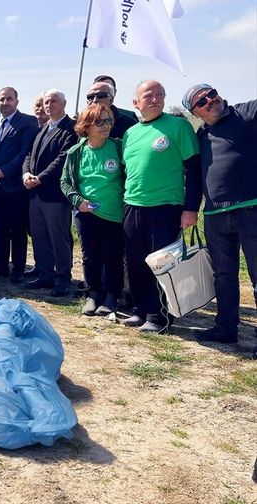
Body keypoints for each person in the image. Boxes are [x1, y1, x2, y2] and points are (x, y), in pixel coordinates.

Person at [121, 80, 201, 332]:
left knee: (162, 264)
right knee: (136, 262)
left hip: (166, 207)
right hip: (133, 205)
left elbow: (194, 170)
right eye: (148, 95)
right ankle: (141, 309)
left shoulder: (178, 127)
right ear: (136, 103)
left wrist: (190, 208)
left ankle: (160, 316)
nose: (155, 99)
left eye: (160, 94)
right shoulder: (130, 133)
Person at [184, 84, 257, 344]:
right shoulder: (200, 135)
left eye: (211, 94)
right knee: (223, 276)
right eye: (201, 101)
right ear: (196, 111)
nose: (209, 101)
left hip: (250, 209)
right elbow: (193, 177)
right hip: (215, 214)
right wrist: (190, 209)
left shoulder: (245, 113)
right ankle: (226, 328)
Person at [61, 103, 125, 316]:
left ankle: (111, 296)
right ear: (86, 126)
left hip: (114, 213)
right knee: (90, 256)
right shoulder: (76, 152)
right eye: (100, 122)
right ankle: (93, 293)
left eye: (108, 121)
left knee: (112, 256)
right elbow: (65, 182)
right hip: (86, 214)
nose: (106, 126)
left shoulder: (118, 147)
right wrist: (78, 200)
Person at [22, 89, 78, 296]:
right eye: (46, 101)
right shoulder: (43, 128)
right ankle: (45, 274)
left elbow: (63, 158)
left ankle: (63, 277)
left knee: (59, 238)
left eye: (53, 101)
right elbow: (29, 154)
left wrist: (41, 178)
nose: (48, 105)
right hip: (35, 194)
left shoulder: (70, 129)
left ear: (64, 103)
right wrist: (26, 173)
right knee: (40, 237)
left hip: (55, 195)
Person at [0, 87, 39, 283]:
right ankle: (0, 265)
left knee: (17, 229)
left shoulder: (28, 122)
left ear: (17, 101)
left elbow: (24, 153)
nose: (5, 103)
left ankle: (18, 268)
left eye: (9, 99)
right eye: (2, 99)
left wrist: (3, 171)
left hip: (14, 186)